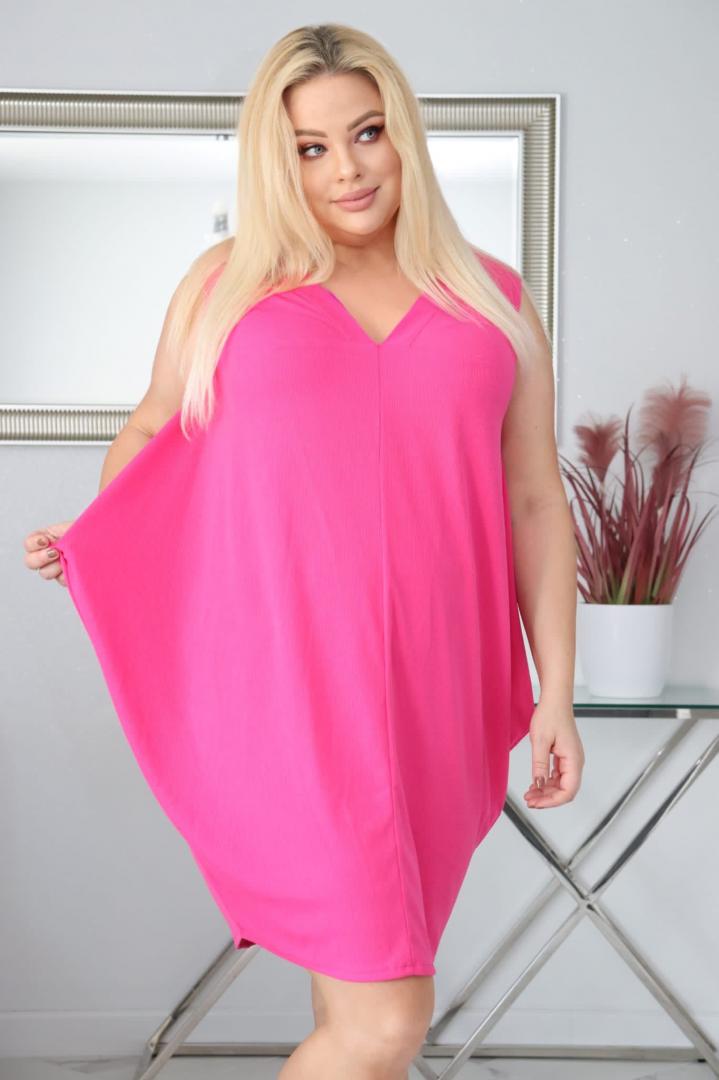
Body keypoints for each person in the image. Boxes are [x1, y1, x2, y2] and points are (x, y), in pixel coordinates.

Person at [23, 23, 584, 1080]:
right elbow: (152, 433)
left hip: (437, 694)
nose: (346, 169)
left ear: (403, 131)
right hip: (288, 694)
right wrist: (100, 541)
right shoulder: (229, 285)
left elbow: (532, 501)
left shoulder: (494, 300)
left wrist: (554, 691)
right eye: (309, 148)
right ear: (273, 161)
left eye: (366, 133)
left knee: (356, 1010)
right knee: (382, 1026)